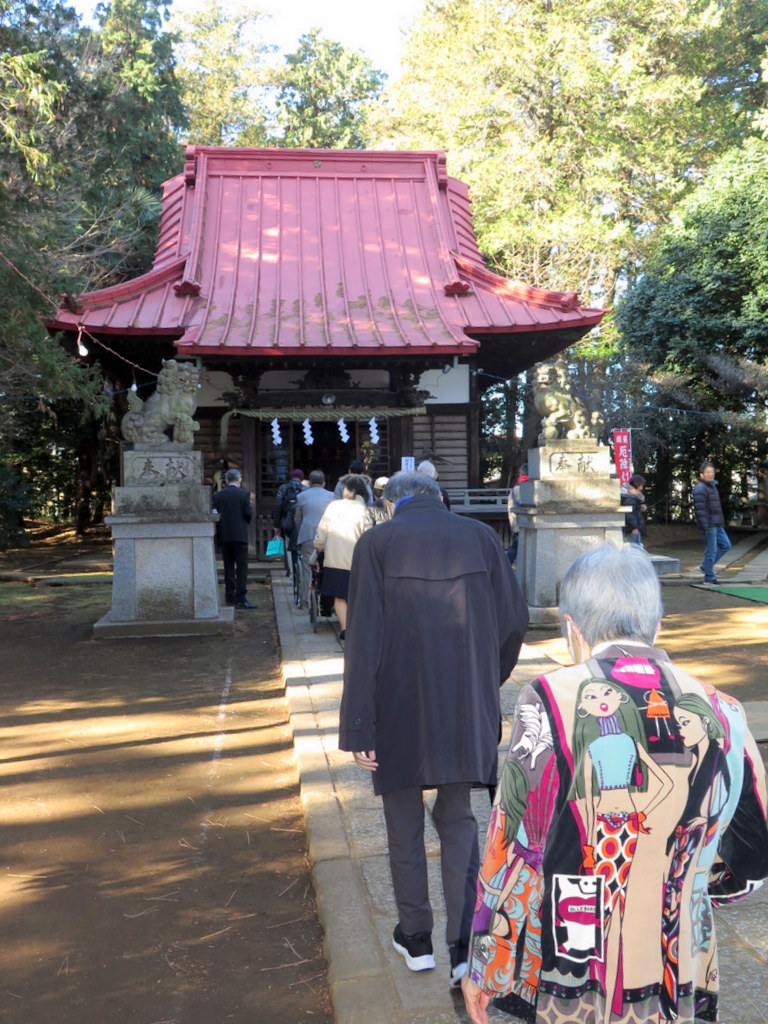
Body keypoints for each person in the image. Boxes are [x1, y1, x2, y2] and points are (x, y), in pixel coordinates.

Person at [461, 543, 768, 1024]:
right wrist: (696, 882)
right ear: (657, 624)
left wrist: (487, 962)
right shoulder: (723, 709)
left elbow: (513, 840)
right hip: (680, 953)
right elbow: (753, 856)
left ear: (572, 628)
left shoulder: (549, 698)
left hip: (575, 949)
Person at [339, 471, 529, 989]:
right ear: (438, 499)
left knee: (403, 819)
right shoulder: (481, 537)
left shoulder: (377, 543)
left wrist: (359, 726)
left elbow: (363, 638)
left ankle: (417, 938)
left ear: (391, 504)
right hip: (464, 704)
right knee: (458, 816)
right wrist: (485, 680)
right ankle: (463, 946)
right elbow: (514, 621)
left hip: (396, 706)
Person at [312, 474, 369, 635]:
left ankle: (345, 629)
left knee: (339, 596)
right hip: (357, 561)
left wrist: (318, 544)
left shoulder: (334, 507)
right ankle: (356, 626)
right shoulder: (364, 510)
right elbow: (368, 535)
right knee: (356, 596)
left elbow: (322, 530)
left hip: (335, 559)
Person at [211, 468, 255, 609]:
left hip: (225, 534)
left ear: (226, 480)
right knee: (241, 567)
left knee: (228, 566)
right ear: (239, 479)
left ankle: (229, 596)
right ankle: (240, 598)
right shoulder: (243, 494)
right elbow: (248, 513)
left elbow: (215, 513)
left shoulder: (218, 495)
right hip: (240, 534)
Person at [294, 469, 335, 608]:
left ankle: (306, 600)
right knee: (327, 566)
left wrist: (300, 533)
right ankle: (327, 600)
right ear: (324, 483)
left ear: (310, 483)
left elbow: (297, 520)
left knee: (306, 567)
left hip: (308, 534)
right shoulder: (332, 496)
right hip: (328, 535)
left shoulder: (301, 497)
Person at [693, 460, 732, 584]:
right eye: (708, 472)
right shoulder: (700, 488)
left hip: (717, 523)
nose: (711, 474)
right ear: (702, 474)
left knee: (726, 545)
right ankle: (709, 577)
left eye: (712, 472)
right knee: (711, 550)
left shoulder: (712, 486)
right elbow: (700, 510)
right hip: (709, 524)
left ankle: (705, 566)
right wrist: (706, 527)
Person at [272, 469, 306, 575]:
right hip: (301, 523)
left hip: (286, 522)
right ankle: (301, 571)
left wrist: (277, 525)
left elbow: (277, 507)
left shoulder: (283, 488)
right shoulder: (305, 489)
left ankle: (291, 572)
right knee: (301, 546)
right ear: (302, 478)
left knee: (288, 547)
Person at [506, 464, 528, 565]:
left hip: (517, 521)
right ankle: (506, 565)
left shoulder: (516, 488)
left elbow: (510, 505)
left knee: (516, 547)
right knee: (516, 547)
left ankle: (506, 565)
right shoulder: (527, 486)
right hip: (525, 521)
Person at [621, 473, 647, 546]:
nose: (642, 488)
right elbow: (629, 514)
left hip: (632, 528)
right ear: (637, 484)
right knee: (634, 549)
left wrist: (640, 506)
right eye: (641, 485)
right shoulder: (630, 497)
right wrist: (634, 527)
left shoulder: (631, 496)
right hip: (632, 530)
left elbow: (633, 509)